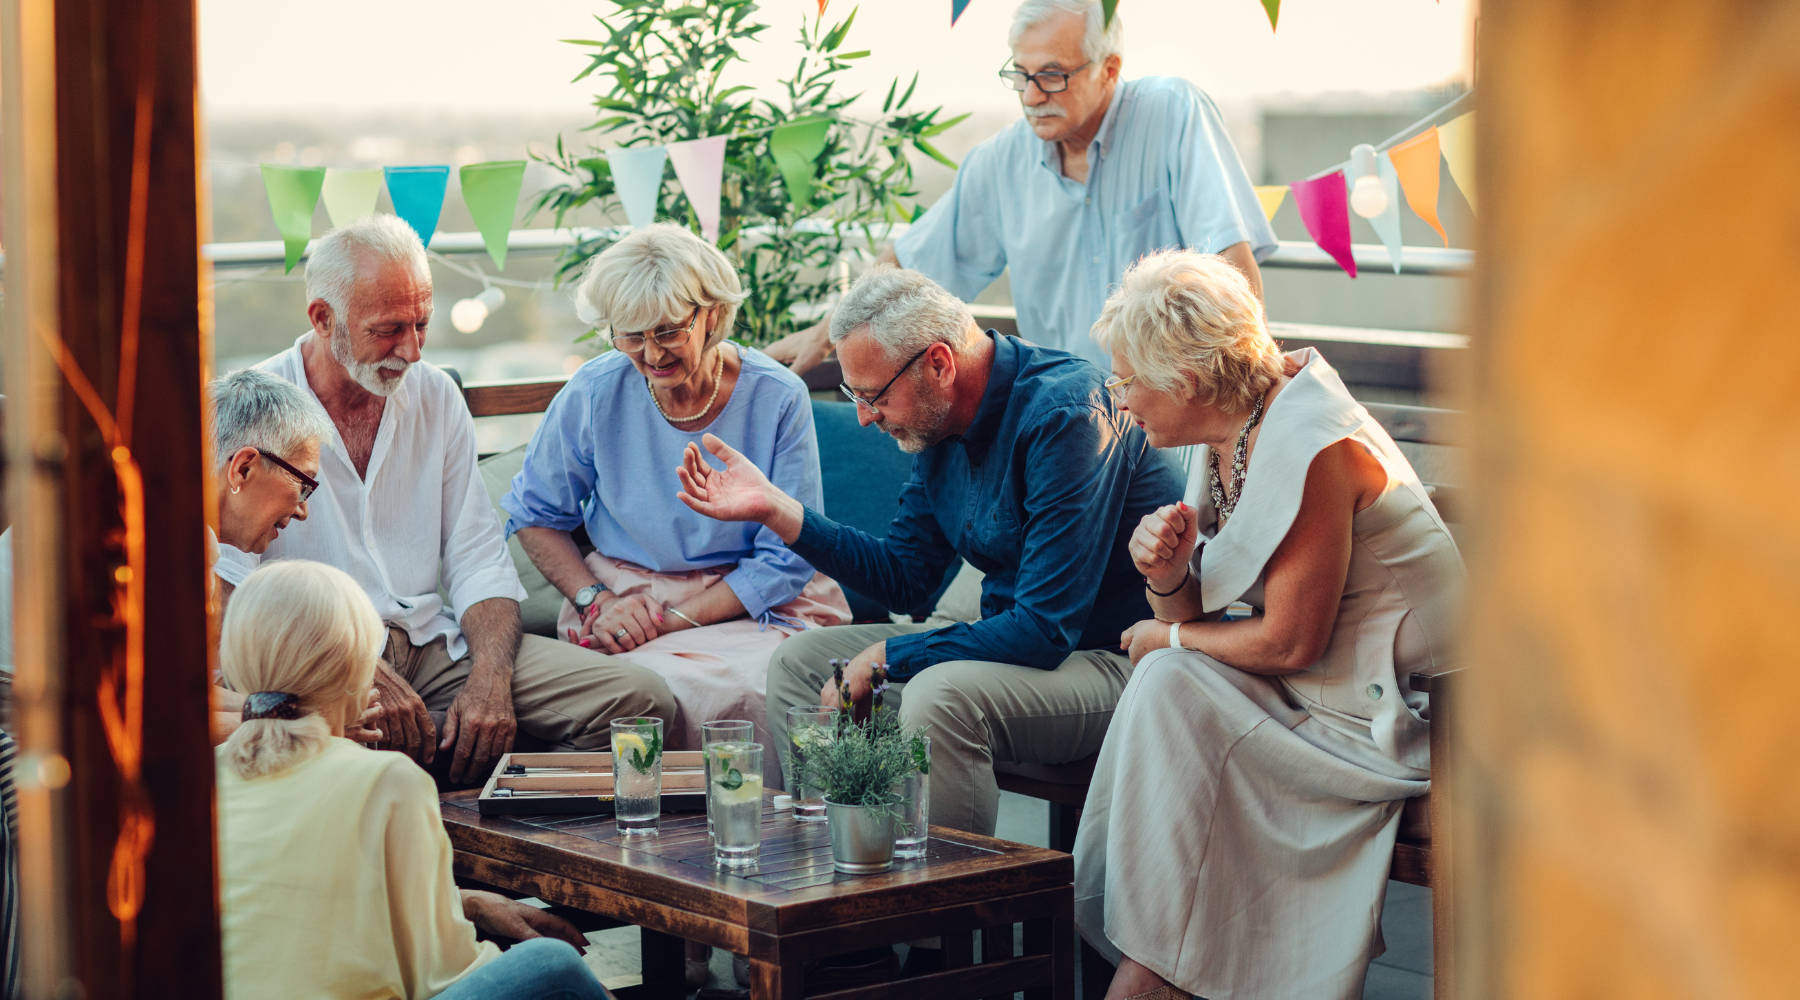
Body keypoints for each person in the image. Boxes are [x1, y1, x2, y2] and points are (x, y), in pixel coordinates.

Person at [1071, 250, 1465, 1000]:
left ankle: (1159, 971)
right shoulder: (1231, 430)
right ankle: (1161, 962)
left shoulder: (1313, 441)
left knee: (1168, 673)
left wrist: (1168, 633)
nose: (1123, 401)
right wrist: (1169, 579)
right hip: (1318, 700)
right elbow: (1204, 616)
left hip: (1410, 722)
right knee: (1169, 681)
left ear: (1184, 381)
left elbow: (1289, 641)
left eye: (1128, 381)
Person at [676, 265, 1183, 839]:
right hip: (1021, 650)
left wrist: (885, 655)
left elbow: (1042, 630)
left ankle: (936, 918)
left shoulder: (1066, 414)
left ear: (940, 363)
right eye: (854, 396)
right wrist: (778, 511)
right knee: (802, 663)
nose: (864, 417)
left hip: (1116, 660)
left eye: (873, 396)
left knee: (940, 696)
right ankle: (844, 864)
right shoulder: (938, 420)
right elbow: (908, 578)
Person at [213, 214, 676, 785]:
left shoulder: (436, 396)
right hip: (319, 663)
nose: (409, 350)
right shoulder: (257, 410)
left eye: (422, 324)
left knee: (642, 703)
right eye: (388, 329)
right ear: (322, 318)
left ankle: (518, 843)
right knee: (347, 757)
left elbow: (479, 561)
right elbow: (233, 593)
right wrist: (352, 670)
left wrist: (489, 680)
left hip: (436, 646)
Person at [765, 0, 1275, 374]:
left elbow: (1229, 261)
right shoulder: (999, 162)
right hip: (1073, 412)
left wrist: (1259, 380)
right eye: (1021, 74)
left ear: (1109, 69)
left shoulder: (1172, 113)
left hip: (1179, 401)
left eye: (1052, 75)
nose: (1032, 96)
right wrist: (822, 335)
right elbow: (906, 267)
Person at [503, 224, 849, 758]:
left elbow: (785, 559)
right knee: (644, 691)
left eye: (667, 331)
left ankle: (761, 835)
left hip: (752, 603)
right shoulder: (595, 390)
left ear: (710, 314)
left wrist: (668, 621)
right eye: (631, 335)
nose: (650, 353)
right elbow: (535, 515)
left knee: (755, 690)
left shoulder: (777, 396)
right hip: (623, 602)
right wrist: (597, 601)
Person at [215, 559, 611, 1000]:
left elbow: (292, 910)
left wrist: (466, 903)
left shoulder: (205, 774)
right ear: (358, 672)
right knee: (551, 966)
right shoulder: (384, 780)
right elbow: (440, 973)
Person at [206, 367, 389, 745]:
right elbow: (167, 717)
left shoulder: (201, 546)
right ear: (243, 468)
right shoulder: (161, 554)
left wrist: (298, 717)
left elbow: (189, 697)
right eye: (303, 484)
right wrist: (313, 728)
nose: (304, 510)